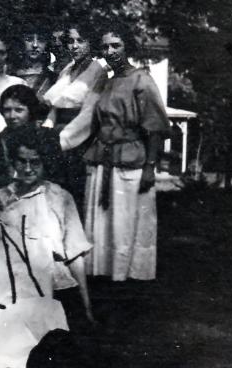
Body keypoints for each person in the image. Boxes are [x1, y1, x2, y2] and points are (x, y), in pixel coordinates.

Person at [0, 124, 94, 324]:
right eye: (22, 161)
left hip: (56, 286)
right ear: (13, 162)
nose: (28, 169)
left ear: (46, 161)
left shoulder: (60, 197)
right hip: (14, 288)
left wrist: (86, 306)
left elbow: (75, 256)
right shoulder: (0, 198)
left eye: (35, 162)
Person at [83, 21, 170, 281]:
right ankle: (104, 278)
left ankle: (128, 281)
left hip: (130, 164)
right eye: (105, 47)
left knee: (126, 224)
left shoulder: (141, 80)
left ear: (127, 47)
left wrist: (150, 168)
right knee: (103, 225)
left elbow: (155, 128)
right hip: (103, 161)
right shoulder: (107, 83)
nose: (110, 52)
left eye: (116, 45)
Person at [41, 20, 109, 207]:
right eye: (71, 41)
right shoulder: (67, 70)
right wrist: (46, 132)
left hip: (79, 140)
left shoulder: (98, 71)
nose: (75, 46)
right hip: (57, 135)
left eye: (81, 41)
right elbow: (56, 106)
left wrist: (61, 141)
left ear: (91, 43)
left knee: (72, 196)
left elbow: (89, 114)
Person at [0, 84, 50, 191]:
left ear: (31, 111)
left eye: (19, 110)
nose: (12, 116)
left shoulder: (46, 138)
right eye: (7, 110)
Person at [14, 22, 57, 102]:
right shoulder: (11, 73)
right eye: (29, 39)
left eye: (41, 40)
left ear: (47, 44)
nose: (35, 45)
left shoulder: (52, 76)